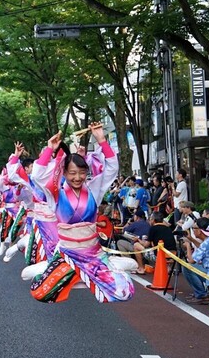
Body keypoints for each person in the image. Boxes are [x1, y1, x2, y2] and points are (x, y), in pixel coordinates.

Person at [26, 123, 135, 303]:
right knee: (41, 293)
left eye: (82, 173)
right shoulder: (55, 193)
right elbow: (37, 175)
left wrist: (101, 140)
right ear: (64, 173)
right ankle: (73, 270)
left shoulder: (94, 189)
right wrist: (49, 149)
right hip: (68, 254)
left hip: (93, 254)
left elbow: (112, 169)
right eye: (72, 173)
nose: (77, 178)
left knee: (125, 292)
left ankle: (96, 269)